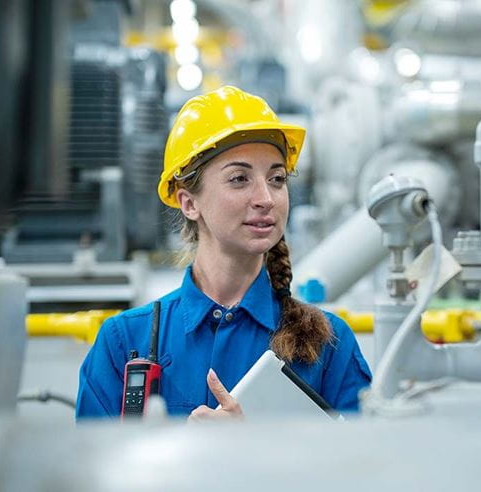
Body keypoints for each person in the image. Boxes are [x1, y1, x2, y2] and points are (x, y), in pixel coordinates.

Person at [76, 86, 372, 420]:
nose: (266, 198)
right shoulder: (125, 341)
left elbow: (364, 467)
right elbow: (88, 469)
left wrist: (253, 448)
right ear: (189, 202)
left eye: (276, 178)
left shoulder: (329, 345)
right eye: (239, 179)